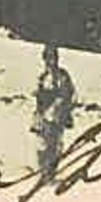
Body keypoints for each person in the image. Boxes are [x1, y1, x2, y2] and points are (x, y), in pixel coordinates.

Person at [32, 44, 76, 182]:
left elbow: (68, 94)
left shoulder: (62, 76)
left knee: (54, 144)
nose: (51, 61)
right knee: (42, 144)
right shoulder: (42, 77)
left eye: (53, 58)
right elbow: (39, 98)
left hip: (56, 116)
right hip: (44, 115)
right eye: (48, 58)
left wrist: (59, 110)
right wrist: (38, 115)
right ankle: (43, 171)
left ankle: (50, 173)